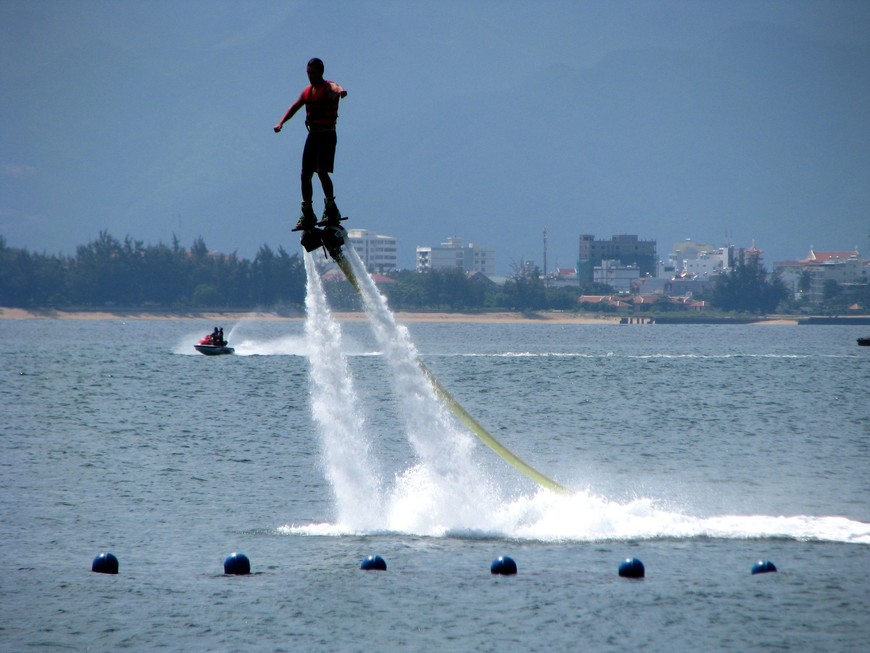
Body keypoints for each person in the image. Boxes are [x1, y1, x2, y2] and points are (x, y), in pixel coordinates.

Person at [274, 57, 348, 230]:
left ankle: (331, 208)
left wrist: (342, 92)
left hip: (327, 135)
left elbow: (338, 88)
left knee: (321, 171)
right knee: (305, 174)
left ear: (320, 72)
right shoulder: (307, 92)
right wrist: (281, 122)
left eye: (313, 73)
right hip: (313, 136)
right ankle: (307, 211)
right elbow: (294, 107)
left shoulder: (329, 87)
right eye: (308, 73)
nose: (310, 76)